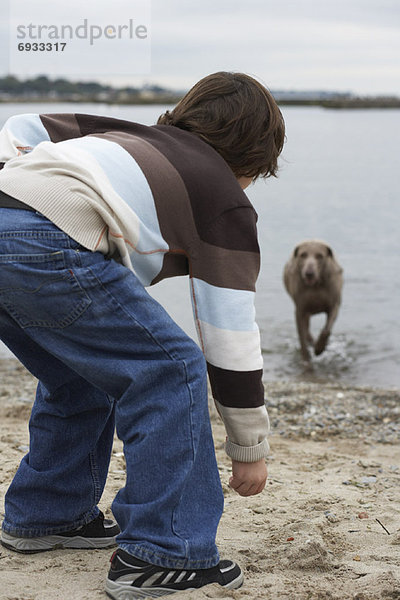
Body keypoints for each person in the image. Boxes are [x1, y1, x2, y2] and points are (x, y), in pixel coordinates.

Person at [0, 71, 285, 598]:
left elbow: (22, 123)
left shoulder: (119, 134)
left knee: (79, 377)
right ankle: (164, 551)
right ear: (252, 160)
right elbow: (229, 335)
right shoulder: (223, 196)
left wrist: (19, 180)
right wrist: (249, 448)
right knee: (171, 371)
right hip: (52, 240)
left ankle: (46, 514)